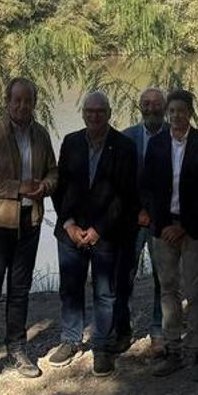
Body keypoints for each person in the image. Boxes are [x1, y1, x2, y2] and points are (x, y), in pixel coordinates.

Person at [0, 77, 59, 392]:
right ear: (7, 101)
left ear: (34, 102)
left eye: (28, 101)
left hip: (29, 221)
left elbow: (53, 172)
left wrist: (45, 186)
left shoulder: (41, 134)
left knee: (20, 290)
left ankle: (17, 348)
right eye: (16, 100)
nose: (22, 106)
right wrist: (17, 188)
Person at [51, 91, 139, 376]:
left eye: (100, 111)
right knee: (71, 289)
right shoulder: (71, 142)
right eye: (89, 111)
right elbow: (61, 187)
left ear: (109, 113)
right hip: (71, 231)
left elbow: (124, 196)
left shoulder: (124, 146)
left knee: (106, 292)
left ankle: (102, 345)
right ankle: (70, 339)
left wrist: (99, 229)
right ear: (83, 114)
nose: (94, 116)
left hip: (108, 233)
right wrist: (69, 223)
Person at [141, 89, 198, 381]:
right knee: (168, 290)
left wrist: (184, 226)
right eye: (171, 111)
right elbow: (147, 188)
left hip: (193, 229)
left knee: (195, 292)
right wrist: (163, 225)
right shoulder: (157, 143)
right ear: (167, 113)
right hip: (163, 229)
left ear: (190, 112)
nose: (176, 115)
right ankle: (172, 349)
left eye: (181, 110)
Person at [115, 87, 167, 356]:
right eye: (146, 104)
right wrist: (136, 211)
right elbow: (119, 183)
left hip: (162, 221)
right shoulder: (126, 138)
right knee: (124, 276)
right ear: (140, 107)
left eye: (156, 104)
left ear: (165, 107)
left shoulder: (175, 136)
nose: (151, 108)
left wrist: (155, 213)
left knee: (163, 277)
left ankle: (159, 332)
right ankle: (123, 331)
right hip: (131, 220)